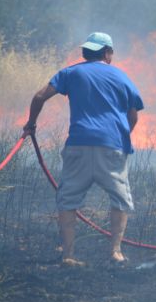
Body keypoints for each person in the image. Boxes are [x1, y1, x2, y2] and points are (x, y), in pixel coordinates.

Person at [23, 32, 144, 266]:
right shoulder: (121, 76)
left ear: (85, 52)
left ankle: (68, 255)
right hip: (111, 146)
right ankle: (116, 252)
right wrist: (122, 135)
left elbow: (39, 97)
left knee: (68, 199)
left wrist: (31, 124)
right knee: (119, 198)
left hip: (78, 144)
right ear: (108, 53)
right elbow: (133, 114)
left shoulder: (71, 72)